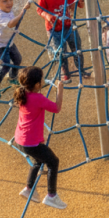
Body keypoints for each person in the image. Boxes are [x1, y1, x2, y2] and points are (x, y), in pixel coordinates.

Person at [13, 68, 67, 208]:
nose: (44, 80)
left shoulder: (23, 93)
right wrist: (59, 90)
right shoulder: (38, 98)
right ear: (37, 85)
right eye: (42, 79)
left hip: (20, 140)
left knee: (38, 161)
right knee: (53, 162)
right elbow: (57, 108)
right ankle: (51, 195)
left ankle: (29, 189)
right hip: (31, 143)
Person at [37, 0, 87, 83]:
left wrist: (80, 2)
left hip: (69, 26)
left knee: (77, 49)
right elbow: (39, 10)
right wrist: (47, 16)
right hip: (54, 30)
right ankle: (65, 73)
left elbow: (76, 6)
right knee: (61, 53)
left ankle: (81, 69)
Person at [0, 0, 31, 98]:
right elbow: (11, 24)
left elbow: (13, 22)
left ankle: (12, 77)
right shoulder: (0, 15)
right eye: (5, 1)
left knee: (17, 59)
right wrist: (22, 12)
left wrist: (23, 11)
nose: (9, 3)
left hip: (7, 42)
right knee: (5, 64)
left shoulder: (7, 10)